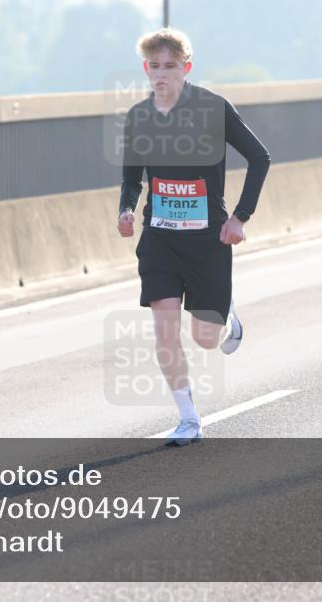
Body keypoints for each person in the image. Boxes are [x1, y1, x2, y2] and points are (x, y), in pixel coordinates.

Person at [116, 27, 271, 446]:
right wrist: (126, 209)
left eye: (170, 66)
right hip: (160, 239)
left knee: (205, 339)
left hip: (207, 241)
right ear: (145, 69)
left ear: (186, 68)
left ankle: (226, 312)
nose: (161, 74)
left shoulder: (213, 109)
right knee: (165, 331)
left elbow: (260, 158)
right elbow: (132, 178)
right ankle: (188, 419)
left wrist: (239, 218)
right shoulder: (139, 117)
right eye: (154, 66)